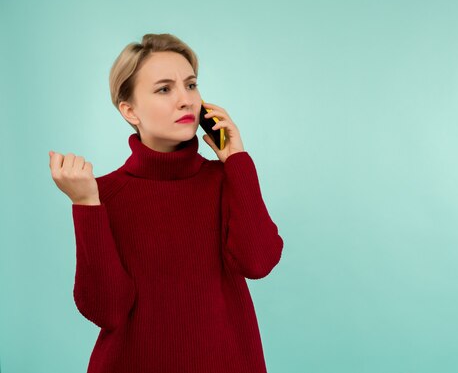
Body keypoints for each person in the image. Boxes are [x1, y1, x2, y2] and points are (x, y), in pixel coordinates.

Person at [48, 33, 284, 372]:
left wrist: (238, 159)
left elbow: (258, 262)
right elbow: (107, 311)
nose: (185, 100)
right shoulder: (103, 194)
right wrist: (86, 204)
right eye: (164, 89)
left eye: (190, 85)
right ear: (130, 110)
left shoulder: (226, 179)